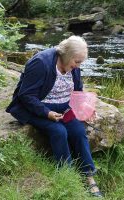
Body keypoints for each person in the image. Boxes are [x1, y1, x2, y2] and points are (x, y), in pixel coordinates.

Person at [6, 35, 103, 197]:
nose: (78, 66)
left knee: (79, 132)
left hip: (64, 108)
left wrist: (85, 108)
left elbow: (78, 91)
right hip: (36, 108)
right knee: (59, 132)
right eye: (77, 62)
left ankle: (88, 176)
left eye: (80, 62)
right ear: (66, 55)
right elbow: (26, 95)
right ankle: (68, 174)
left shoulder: (73, 67)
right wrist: (47, 113)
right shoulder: (41, 63)